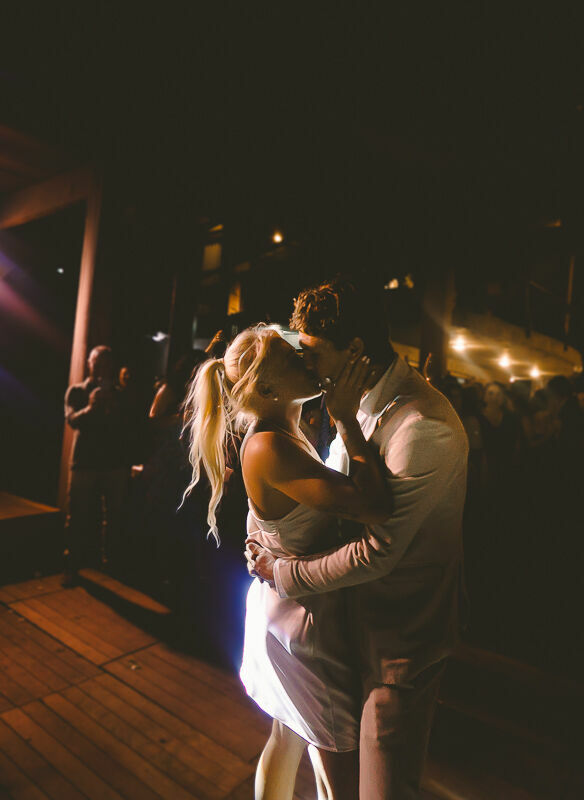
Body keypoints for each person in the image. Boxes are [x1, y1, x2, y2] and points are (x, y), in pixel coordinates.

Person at [247, 278, 469, 800]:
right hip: (343, 631)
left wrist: (282, 570)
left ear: (355, 351)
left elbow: (377, 550)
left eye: (315, 353)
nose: (307, 364)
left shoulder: (423, 426)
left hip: (399, 641)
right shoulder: (355, 401)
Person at [184, 323, 391, 800]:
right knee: (338, 764)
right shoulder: (269, 444)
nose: (309, 362)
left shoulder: (282, 430)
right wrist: (346, 420)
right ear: (270, 389)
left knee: (287, 735)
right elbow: (375, 507)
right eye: (294, 358)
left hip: (283, 609)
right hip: (304, 628)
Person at [63, 345, 133, 585]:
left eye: (106, 362)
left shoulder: (120, 393)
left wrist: (114, 405)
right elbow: (72, 420)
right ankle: (72, 565)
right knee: (77, 515)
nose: (102, 366)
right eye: (97, 361)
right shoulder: (76, 391)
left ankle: (110, 566)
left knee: (115, 517)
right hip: (84, 462)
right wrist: (91, 408)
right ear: (89, 363)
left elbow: (129, 427)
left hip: (114, 463)